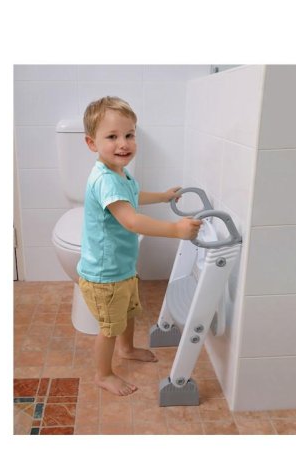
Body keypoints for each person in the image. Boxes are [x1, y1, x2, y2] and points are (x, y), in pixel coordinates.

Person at [77, 96, 202, 396]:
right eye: (112, 137)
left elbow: (132, 196)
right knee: (109, 328)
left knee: (128, 312)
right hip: (104, 275)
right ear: (92, 143)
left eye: (129, 135)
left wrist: (162, 196)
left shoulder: (119, 172)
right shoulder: (105, 180)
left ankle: (127, 349)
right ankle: (103, 374)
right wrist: (175, 230)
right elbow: (131, 221)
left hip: (121, 267)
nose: (123, 143)